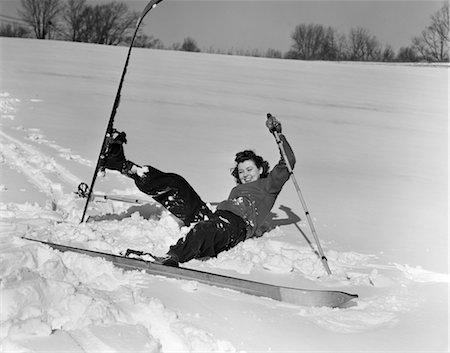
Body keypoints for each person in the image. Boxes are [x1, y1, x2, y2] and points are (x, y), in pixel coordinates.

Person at [104, 115, 295, 267]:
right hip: (215, 217)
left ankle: (174, 257)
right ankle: (124, 165)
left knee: (203, 229)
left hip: (234, 227)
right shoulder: (238, 189)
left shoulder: (269, 185)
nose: (245, 174)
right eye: (242, 171)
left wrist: (278, 134)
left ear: (260, 169)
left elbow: (288, 162)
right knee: (175, 183)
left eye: (250, 170)